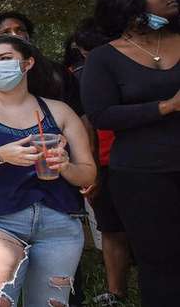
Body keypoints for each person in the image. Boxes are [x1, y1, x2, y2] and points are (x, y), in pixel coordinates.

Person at [0, 36, 96, 306]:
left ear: (28, 63)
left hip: (58, 223)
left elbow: (87, 174)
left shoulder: (59, 111)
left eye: (5, 59)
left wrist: (65, 166)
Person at [82, 0, 180, 306]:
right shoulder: (104, 58)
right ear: (130, 5)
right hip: (142, 175)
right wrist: (166, 107)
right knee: (159, 262)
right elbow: (101, 115)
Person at [67, 21, 130, 306]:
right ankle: (116, 293)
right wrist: (89, 169)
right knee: (111, 228)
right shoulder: (80, 77)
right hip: (102, 163)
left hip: (141, 160)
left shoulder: (136, 69)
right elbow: (86, 126)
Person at [0, 12, 81, 116]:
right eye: (5, 32)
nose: (14, 35)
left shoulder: (58, 73)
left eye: (20, 30)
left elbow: (80, 115)